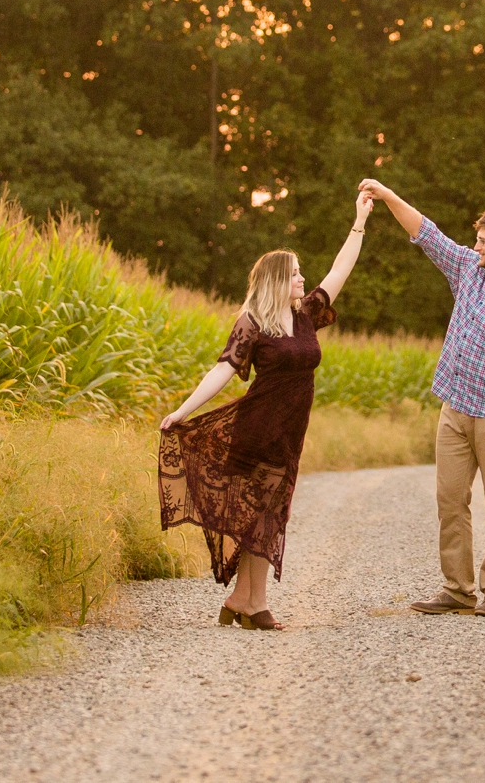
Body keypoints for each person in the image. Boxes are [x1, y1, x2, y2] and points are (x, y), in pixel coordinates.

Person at [157, 189, 375, 630]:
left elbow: (340, 269)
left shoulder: (306, 314)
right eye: (295, 274)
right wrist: (182, 410)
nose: (303, 279)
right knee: (258, 513)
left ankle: (247, 599)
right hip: (257, 428)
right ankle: (250, 602)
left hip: (289, 432)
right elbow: (223, 369)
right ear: (277, 278)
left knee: (269, 514)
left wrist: (360, 222)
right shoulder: (253, 322)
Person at [358, 179, 485, 618]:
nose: (476, 246)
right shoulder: (469, 269)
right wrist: (389, 195)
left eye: (483, 241)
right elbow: (426, 233)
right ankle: (457, 588)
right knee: (450, 500)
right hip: (455, 409)